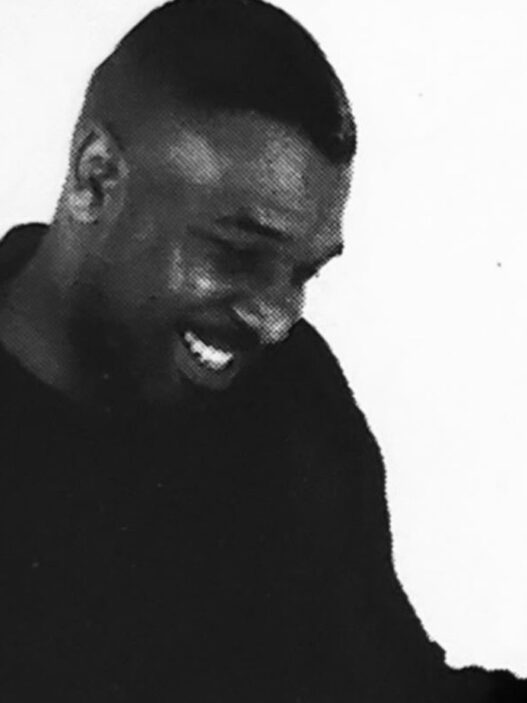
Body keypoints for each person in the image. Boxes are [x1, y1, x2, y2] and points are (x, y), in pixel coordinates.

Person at [0, 0, 524, 700]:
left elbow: (388, 685)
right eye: (237, 252)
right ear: (96, 179)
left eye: (303, 273)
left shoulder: (288, 389)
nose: (276, 320)